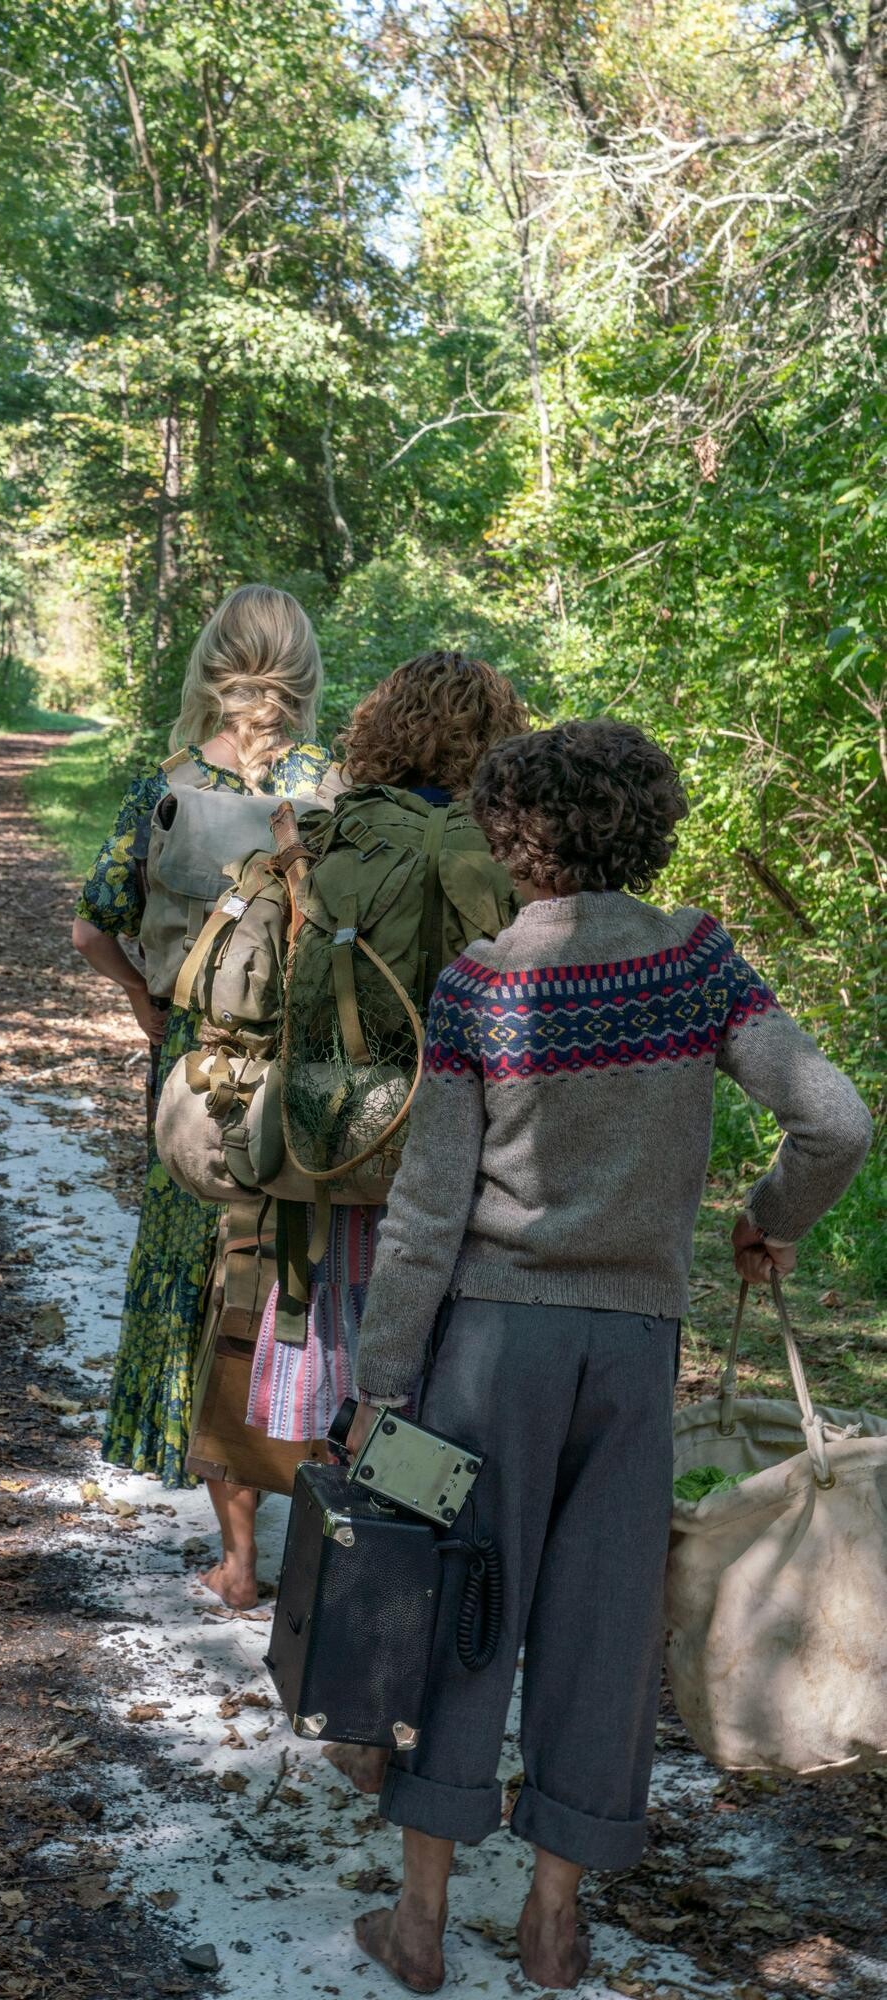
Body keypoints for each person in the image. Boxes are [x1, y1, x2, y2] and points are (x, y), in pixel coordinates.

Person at [341, 719, 872, 1994]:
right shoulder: (694, 960)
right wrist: (769, 1217)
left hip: (483, 1348)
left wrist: (376, 1382)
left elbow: (425, 1208)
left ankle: (418, 1919)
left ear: (507, 836)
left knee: (461, 1606)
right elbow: (834, 1120)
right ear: (646, 826)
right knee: (602, 1624)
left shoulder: (478, 983)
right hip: (632, 1348)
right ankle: (551, 1920)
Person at [71, 584, 333, 1604]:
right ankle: (321, 1541)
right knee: (298, 1285)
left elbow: (93, 926)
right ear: (302, 673)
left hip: (195, 1070)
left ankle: (237, 1561)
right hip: (309, 1071)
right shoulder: (334, 790)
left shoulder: (167, 787)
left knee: (204, 1280)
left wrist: (146, 1002)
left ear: (211, 666)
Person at [246, 650, 524, 1446]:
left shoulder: (335, 838)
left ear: (384, 729)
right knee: (455, 1360)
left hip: (347, 1139)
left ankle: (341, 1497)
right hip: (480, 1153)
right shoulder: (518, 850)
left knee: (349, 1351)